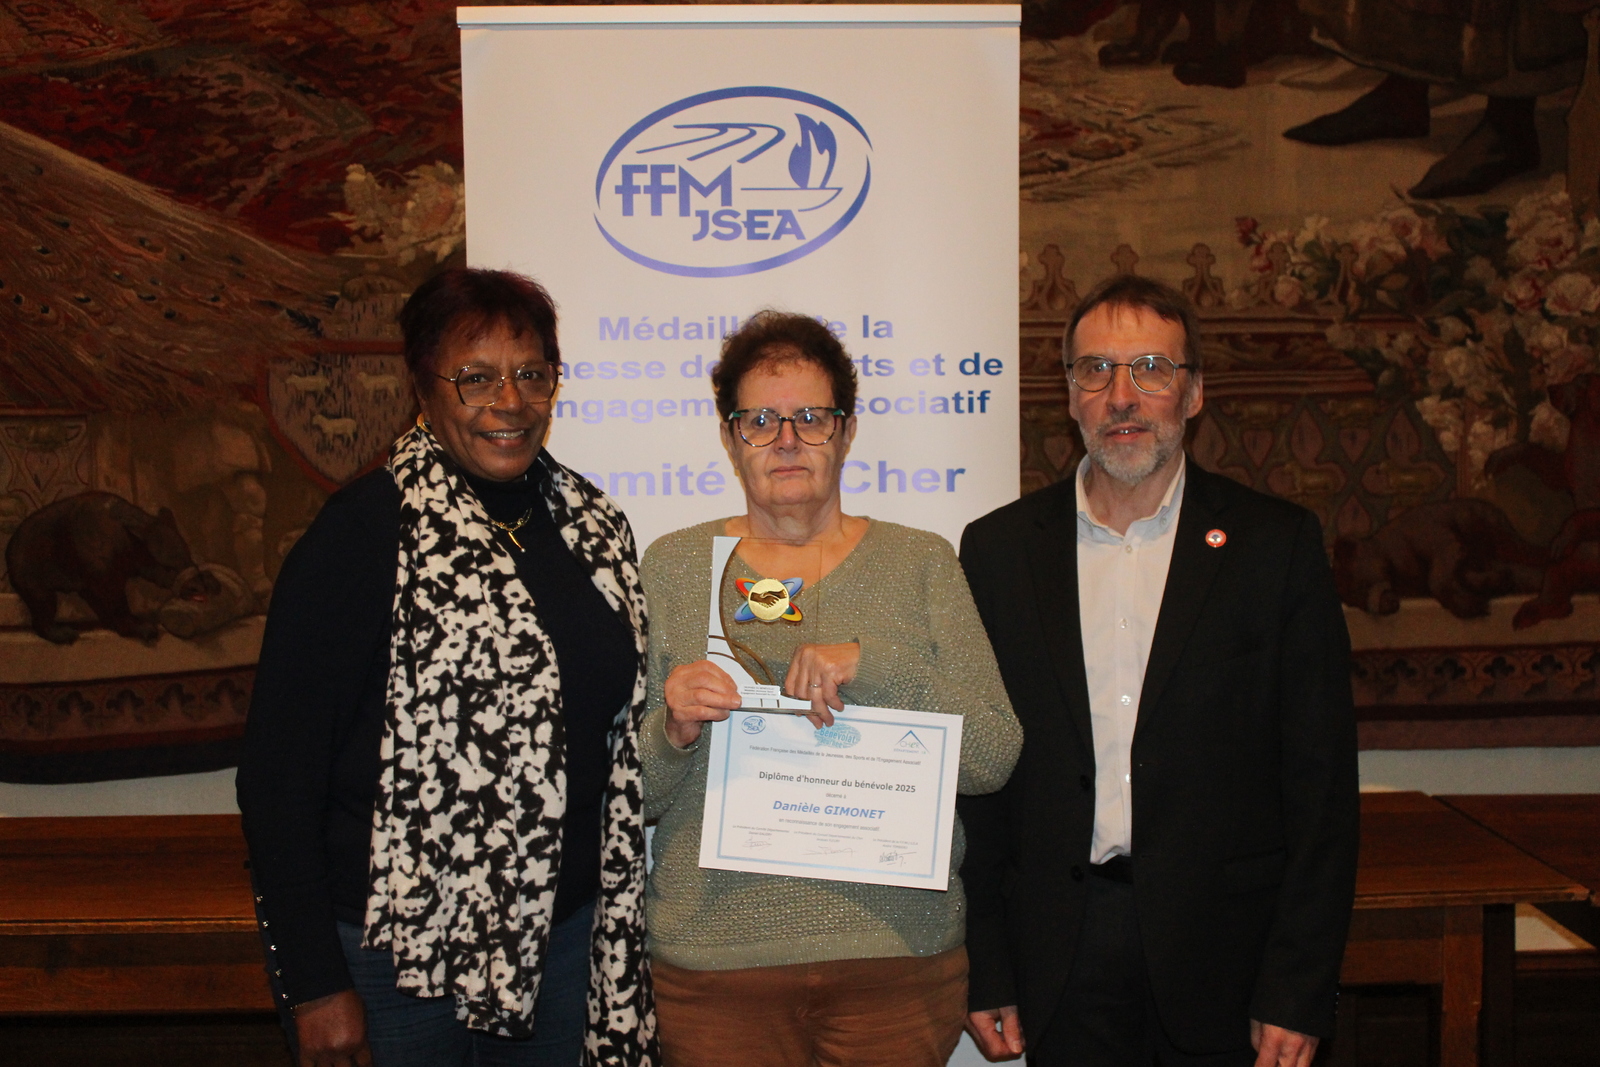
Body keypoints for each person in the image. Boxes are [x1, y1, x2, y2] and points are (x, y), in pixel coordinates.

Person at [237, 268, 657, 1067]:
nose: (509, 401)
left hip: (564, 938)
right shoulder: (364, 533)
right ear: (423, 388)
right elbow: (276, 777)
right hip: (394, 960)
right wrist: (314, 987)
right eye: (476, 377)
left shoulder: (593, 526)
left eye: (531, 373)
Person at [958, 275, 1358, 1067]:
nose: (1122, 396)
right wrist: (988, 961)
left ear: (1194, 391)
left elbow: (1321, 787)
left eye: (1151, 369)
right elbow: (984, 778)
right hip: (1061, 955)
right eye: (1095, 370)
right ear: (1069, 394)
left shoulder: (1274, 547)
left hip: (1229, 958)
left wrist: (1298, 984)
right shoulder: (999, 550)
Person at [637, 311, 1023, 1067]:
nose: (787, 440)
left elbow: (993, 755)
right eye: (760, 421)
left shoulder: (922, 562)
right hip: (716, 972)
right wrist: (671, 731)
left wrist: (872, 664)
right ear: (730, 438)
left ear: (845, 432)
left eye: (811, 418)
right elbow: (633, 795)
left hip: (897, 965)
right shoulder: (674, 566)